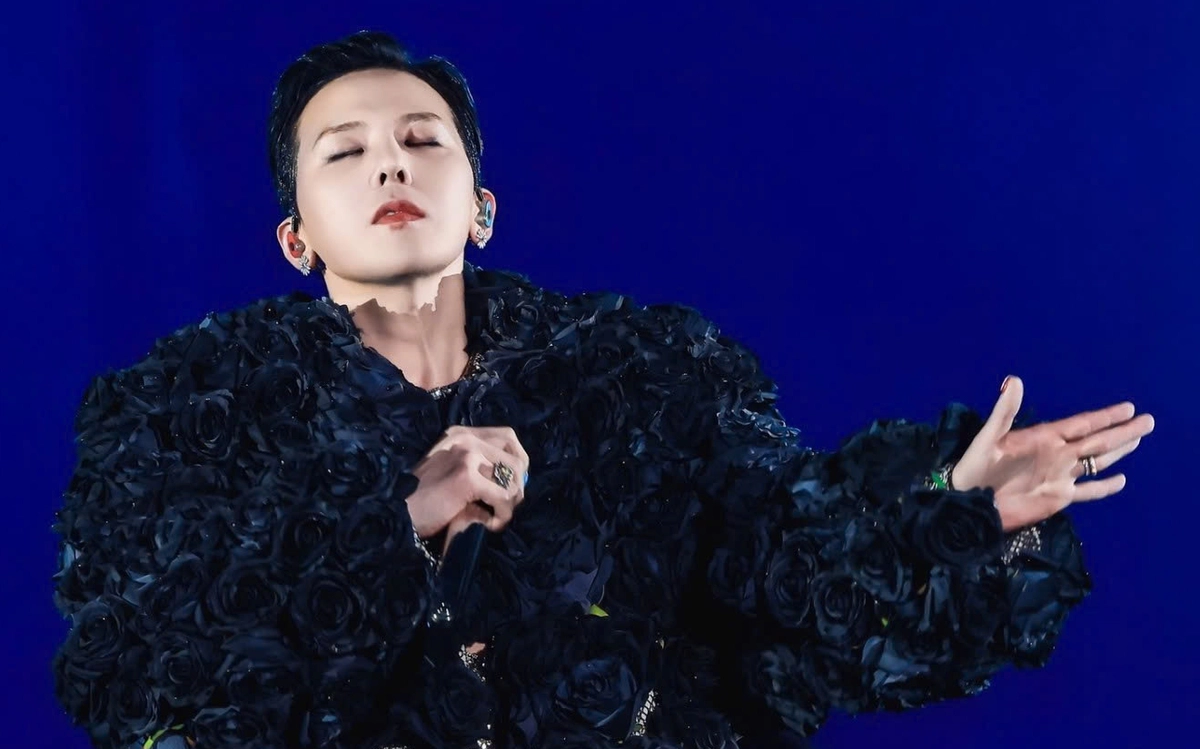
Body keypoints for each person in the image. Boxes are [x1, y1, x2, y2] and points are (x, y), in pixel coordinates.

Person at [50, 30, 1154, 749]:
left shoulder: (643, 370)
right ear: (295, 238)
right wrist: (404, 519)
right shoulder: (186, 412)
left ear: (482, 206)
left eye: (422, 139)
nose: (391, 164)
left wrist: (953, 508)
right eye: (345, 152)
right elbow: (156, 676)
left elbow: (787, 566)